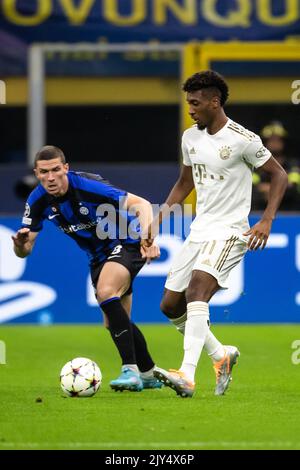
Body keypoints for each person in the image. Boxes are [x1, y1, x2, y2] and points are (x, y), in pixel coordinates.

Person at [146, 71, 288, 398]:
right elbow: (185, 182)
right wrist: (159, 218)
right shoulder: (190, 138)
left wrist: (266, 220)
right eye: (188, 103)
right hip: (199, 230)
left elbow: (279, 176)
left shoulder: (243, 139)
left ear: (215, 101)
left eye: (195, 103)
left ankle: (186, 374)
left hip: (230, 231)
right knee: (169, 306)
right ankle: (220, 355)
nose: (191, 109)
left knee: (198, 290)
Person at [12, 145, 162, 392]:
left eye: (56, 170)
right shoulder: (37, 200)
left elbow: (142, 205)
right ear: (36, 173)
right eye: (44, 172)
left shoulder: (88, 186)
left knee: (106, 291)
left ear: (66, 168)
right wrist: (20, 244)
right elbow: (24, 250)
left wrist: (149, 238)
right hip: (97, 257)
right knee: (112, 320)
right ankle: (148, 374)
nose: (51, 177)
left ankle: (130, 370)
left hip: (126, 242)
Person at [252, 121, 300, 211]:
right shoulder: (256, 166)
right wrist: (279, 188)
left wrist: (268, 189)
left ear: (284, 142)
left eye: (278, 140)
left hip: (291, 214)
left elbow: (293, 189)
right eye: (271, 140)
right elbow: (251, 189)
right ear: (265, 143)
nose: (275, 143)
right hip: (259, 213)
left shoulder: (293, 165)